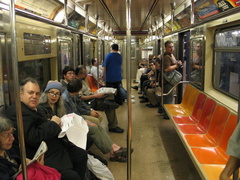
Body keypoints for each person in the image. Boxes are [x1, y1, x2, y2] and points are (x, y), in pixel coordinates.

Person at [5, 77, 87, 180]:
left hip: (55, 146)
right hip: (44, 155)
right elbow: (33, 137)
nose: (34, 96)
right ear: (21, 95)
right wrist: (53, 123)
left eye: (37, 93)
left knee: (81, 154)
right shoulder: (18, 112)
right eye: (30, 93)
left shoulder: (35, 109)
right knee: (72, 176)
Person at [61, 79, 131, 162]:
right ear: (79, 89)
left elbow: (79, 108)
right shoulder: (66, 99)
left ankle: (114, 147)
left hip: (77, 118)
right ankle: (112, 151)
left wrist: (89, 111)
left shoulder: (72, 95)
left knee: (97, 125)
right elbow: (72, 115)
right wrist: (85, 121)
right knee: (94, 128)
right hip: (72, 123)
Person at [75, 65, 124, 133]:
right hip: (89, 101)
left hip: (92, 96)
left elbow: (88, 91)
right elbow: (81, 98)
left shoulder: (82, 80)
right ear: (79, 74)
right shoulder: (76, 83)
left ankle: (109, 102)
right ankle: (113, 125)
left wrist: (96, 93)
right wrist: (95, 96)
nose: (86, 75)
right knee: (109, 106)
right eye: (84, 73)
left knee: (109, 95)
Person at [159, 40, 182, 119]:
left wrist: (177, 63)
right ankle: (166, 114)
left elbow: (174, 63)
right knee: (169, 97)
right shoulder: (166, 57)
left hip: (168, 80)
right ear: (166, 48)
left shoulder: (171, 55)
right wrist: (177, 65)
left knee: (167, 96)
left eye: (172, 46)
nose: (171, 48)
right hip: (167, 80)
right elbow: (166, 69)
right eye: (169, 47)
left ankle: (161, 109)